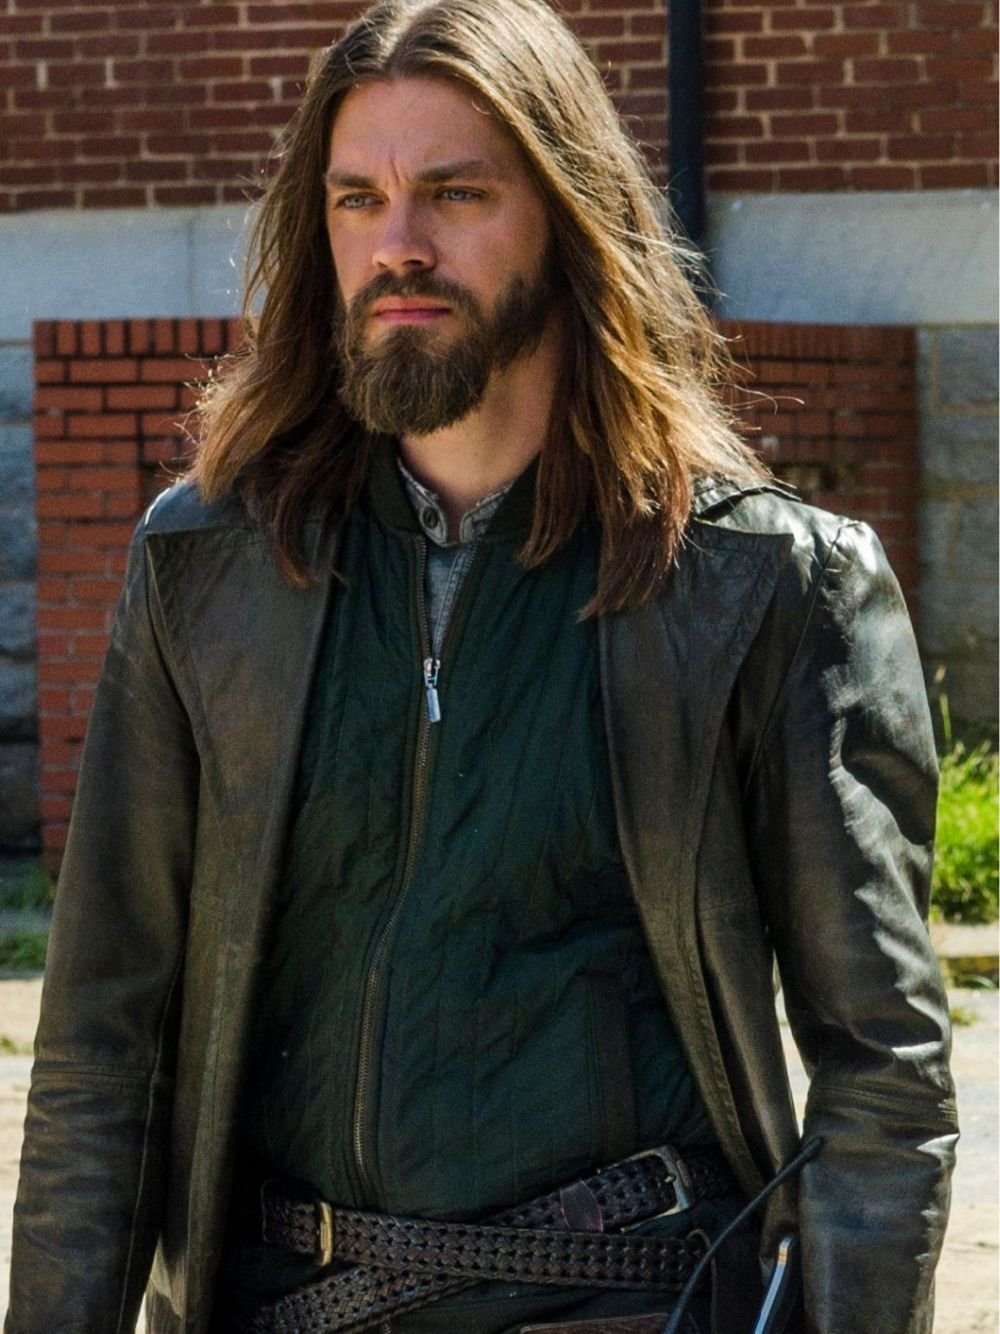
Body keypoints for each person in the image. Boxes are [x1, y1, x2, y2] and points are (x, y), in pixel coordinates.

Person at [7, 1, 957, 1331]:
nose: (398, 243)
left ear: (567, 217)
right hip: (288, 1300)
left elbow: (884, 1073)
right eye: (358, 199)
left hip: (628, 1297)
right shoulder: (209, 569)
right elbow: (100, 1051)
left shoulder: (766, 587)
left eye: (454, 193)